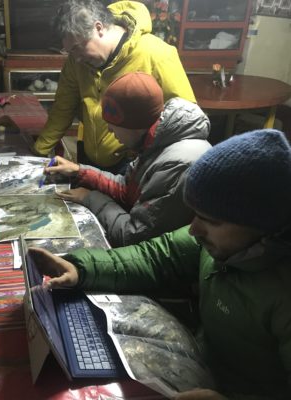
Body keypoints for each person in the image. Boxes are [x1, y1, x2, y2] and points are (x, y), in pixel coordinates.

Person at [30, 129, 291, 399]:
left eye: (212, 221)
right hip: (201, 371)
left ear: (261, 224)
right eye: (195, 215)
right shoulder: (217, 245)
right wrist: (82, 268)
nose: (194, 230)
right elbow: (155, 257)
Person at [46, 72, 211, 247]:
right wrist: (80, 171)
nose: (110, 130)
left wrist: (90, 198)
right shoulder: (157, 142)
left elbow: (133, 236)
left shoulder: (176, 165)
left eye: (113, 125)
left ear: (134, 125)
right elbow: (128, 191)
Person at [32, 0, 196, 172]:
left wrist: (145, 151)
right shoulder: (76, 61)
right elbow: (62, 109)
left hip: (135, 162)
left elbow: (184, 118)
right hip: (89, 157)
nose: (77, 58)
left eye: (77, 48)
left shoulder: (155, 53)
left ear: (98, 28)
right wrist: (38, 153)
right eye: (70, 52)